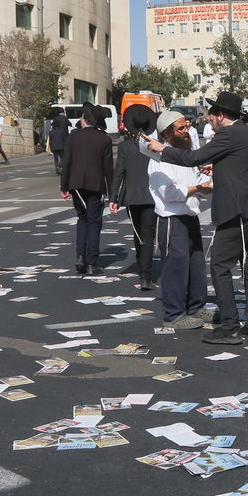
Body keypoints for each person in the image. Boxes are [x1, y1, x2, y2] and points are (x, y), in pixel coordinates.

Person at [143, 91, 248, 345]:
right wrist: (219, 166)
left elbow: (193, 157)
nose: (208, 120)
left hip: (237, 212)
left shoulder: (228, 133)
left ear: (221, 115)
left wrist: (161, 150)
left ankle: (229, 326)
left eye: (211, 115)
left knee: (220, 266)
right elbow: (244, 166)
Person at [143, 109, 211, 330]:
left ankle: (196, 306)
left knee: (196, 264)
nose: (186, 131)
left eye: (187, 126)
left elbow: (196, 179)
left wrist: (206, 185)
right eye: (180, 128)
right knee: (176, 267)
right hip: (173, 218)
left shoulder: (184, 154)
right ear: (167, 133)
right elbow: (169, 193)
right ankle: (173, 314)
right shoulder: (158, 159)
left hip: (190, 215)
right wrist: (198, 188)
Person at [60, 102, 113, 276]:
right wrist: (113, 193)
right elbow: (108, 169)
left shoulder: (73, 136)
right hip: (96, 185)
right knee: (94, 222)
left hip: (75, 185)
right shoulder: (104, 139)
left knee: (82, 219)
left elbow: (66, 162)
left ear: (85, 119)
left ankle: (80, 257)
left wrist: (64, 186)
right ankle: (91, 262)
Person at [111, 105, 159, 291]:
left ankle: (142, 269)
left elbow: (119, 173)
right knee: (148, 234)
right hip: (151, 195)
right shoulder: (154, 145)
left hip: (131, 196)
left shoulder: (124, 146)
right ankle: (146, 275)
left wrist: (113, 198)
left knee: (138, 233)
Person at [48, 110, 70, 175]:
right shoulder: (61, 131)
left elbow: (50, 141)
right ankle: (60, 167)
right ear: (63, 113)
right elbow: (64, 139)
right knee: (62, 157)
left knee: (56, 159)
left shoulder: (51, 132)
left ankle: (57, 168)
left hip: (54, 147)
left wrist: (51, 148)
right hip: (61, 146)